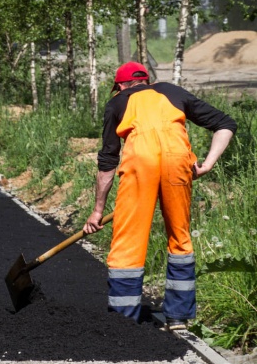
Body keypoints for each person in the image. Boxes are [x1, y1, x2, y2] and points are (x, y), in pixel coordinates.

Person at [83, 61, 236, 330]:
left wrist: (97, 210)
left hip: (140, 162)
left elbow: (108, 161)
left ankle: (123, 319)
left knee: (129, 240)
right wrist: (209, 163)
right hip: (178, 160)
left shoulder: (118, 102)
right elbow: (225, 124)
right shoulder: (172, 92)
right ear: (147, 80)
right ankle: (179, 317)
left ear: (120, 85)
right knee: (180, 237)